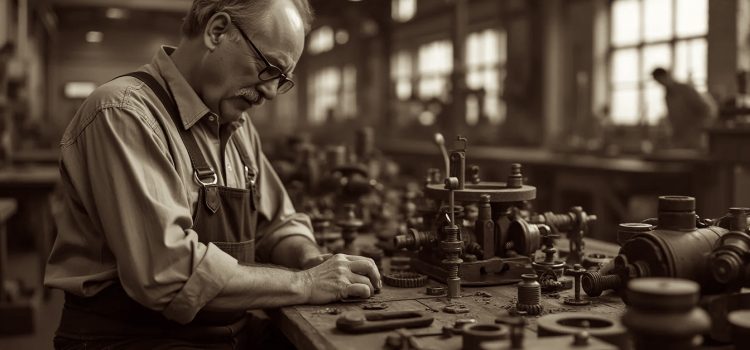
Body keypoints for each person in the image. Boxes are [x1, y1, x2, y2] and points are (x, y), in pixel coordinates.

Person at [44, 0, 381, 348]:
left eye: (281, 81)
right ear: (217, 31)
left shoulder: (237, 126)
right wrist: (306, 283)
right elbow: (169, 276)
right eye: (268, 67)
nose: (269, 92)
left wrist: (308, 257)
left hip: (224, 331)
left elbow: (279, 223)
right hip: (132, 336)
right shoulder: (123, 113)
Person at [651, 67, 716, 149]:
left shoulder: (685, 89)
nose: (661, 83)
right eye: (658, 82)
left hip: (693, 135)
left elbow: (704, 110)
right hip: (679, 135)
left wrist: (697, 129)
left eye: (660, 80)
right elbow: (673, 116)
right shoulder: (667, 96)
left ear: (666, 76)